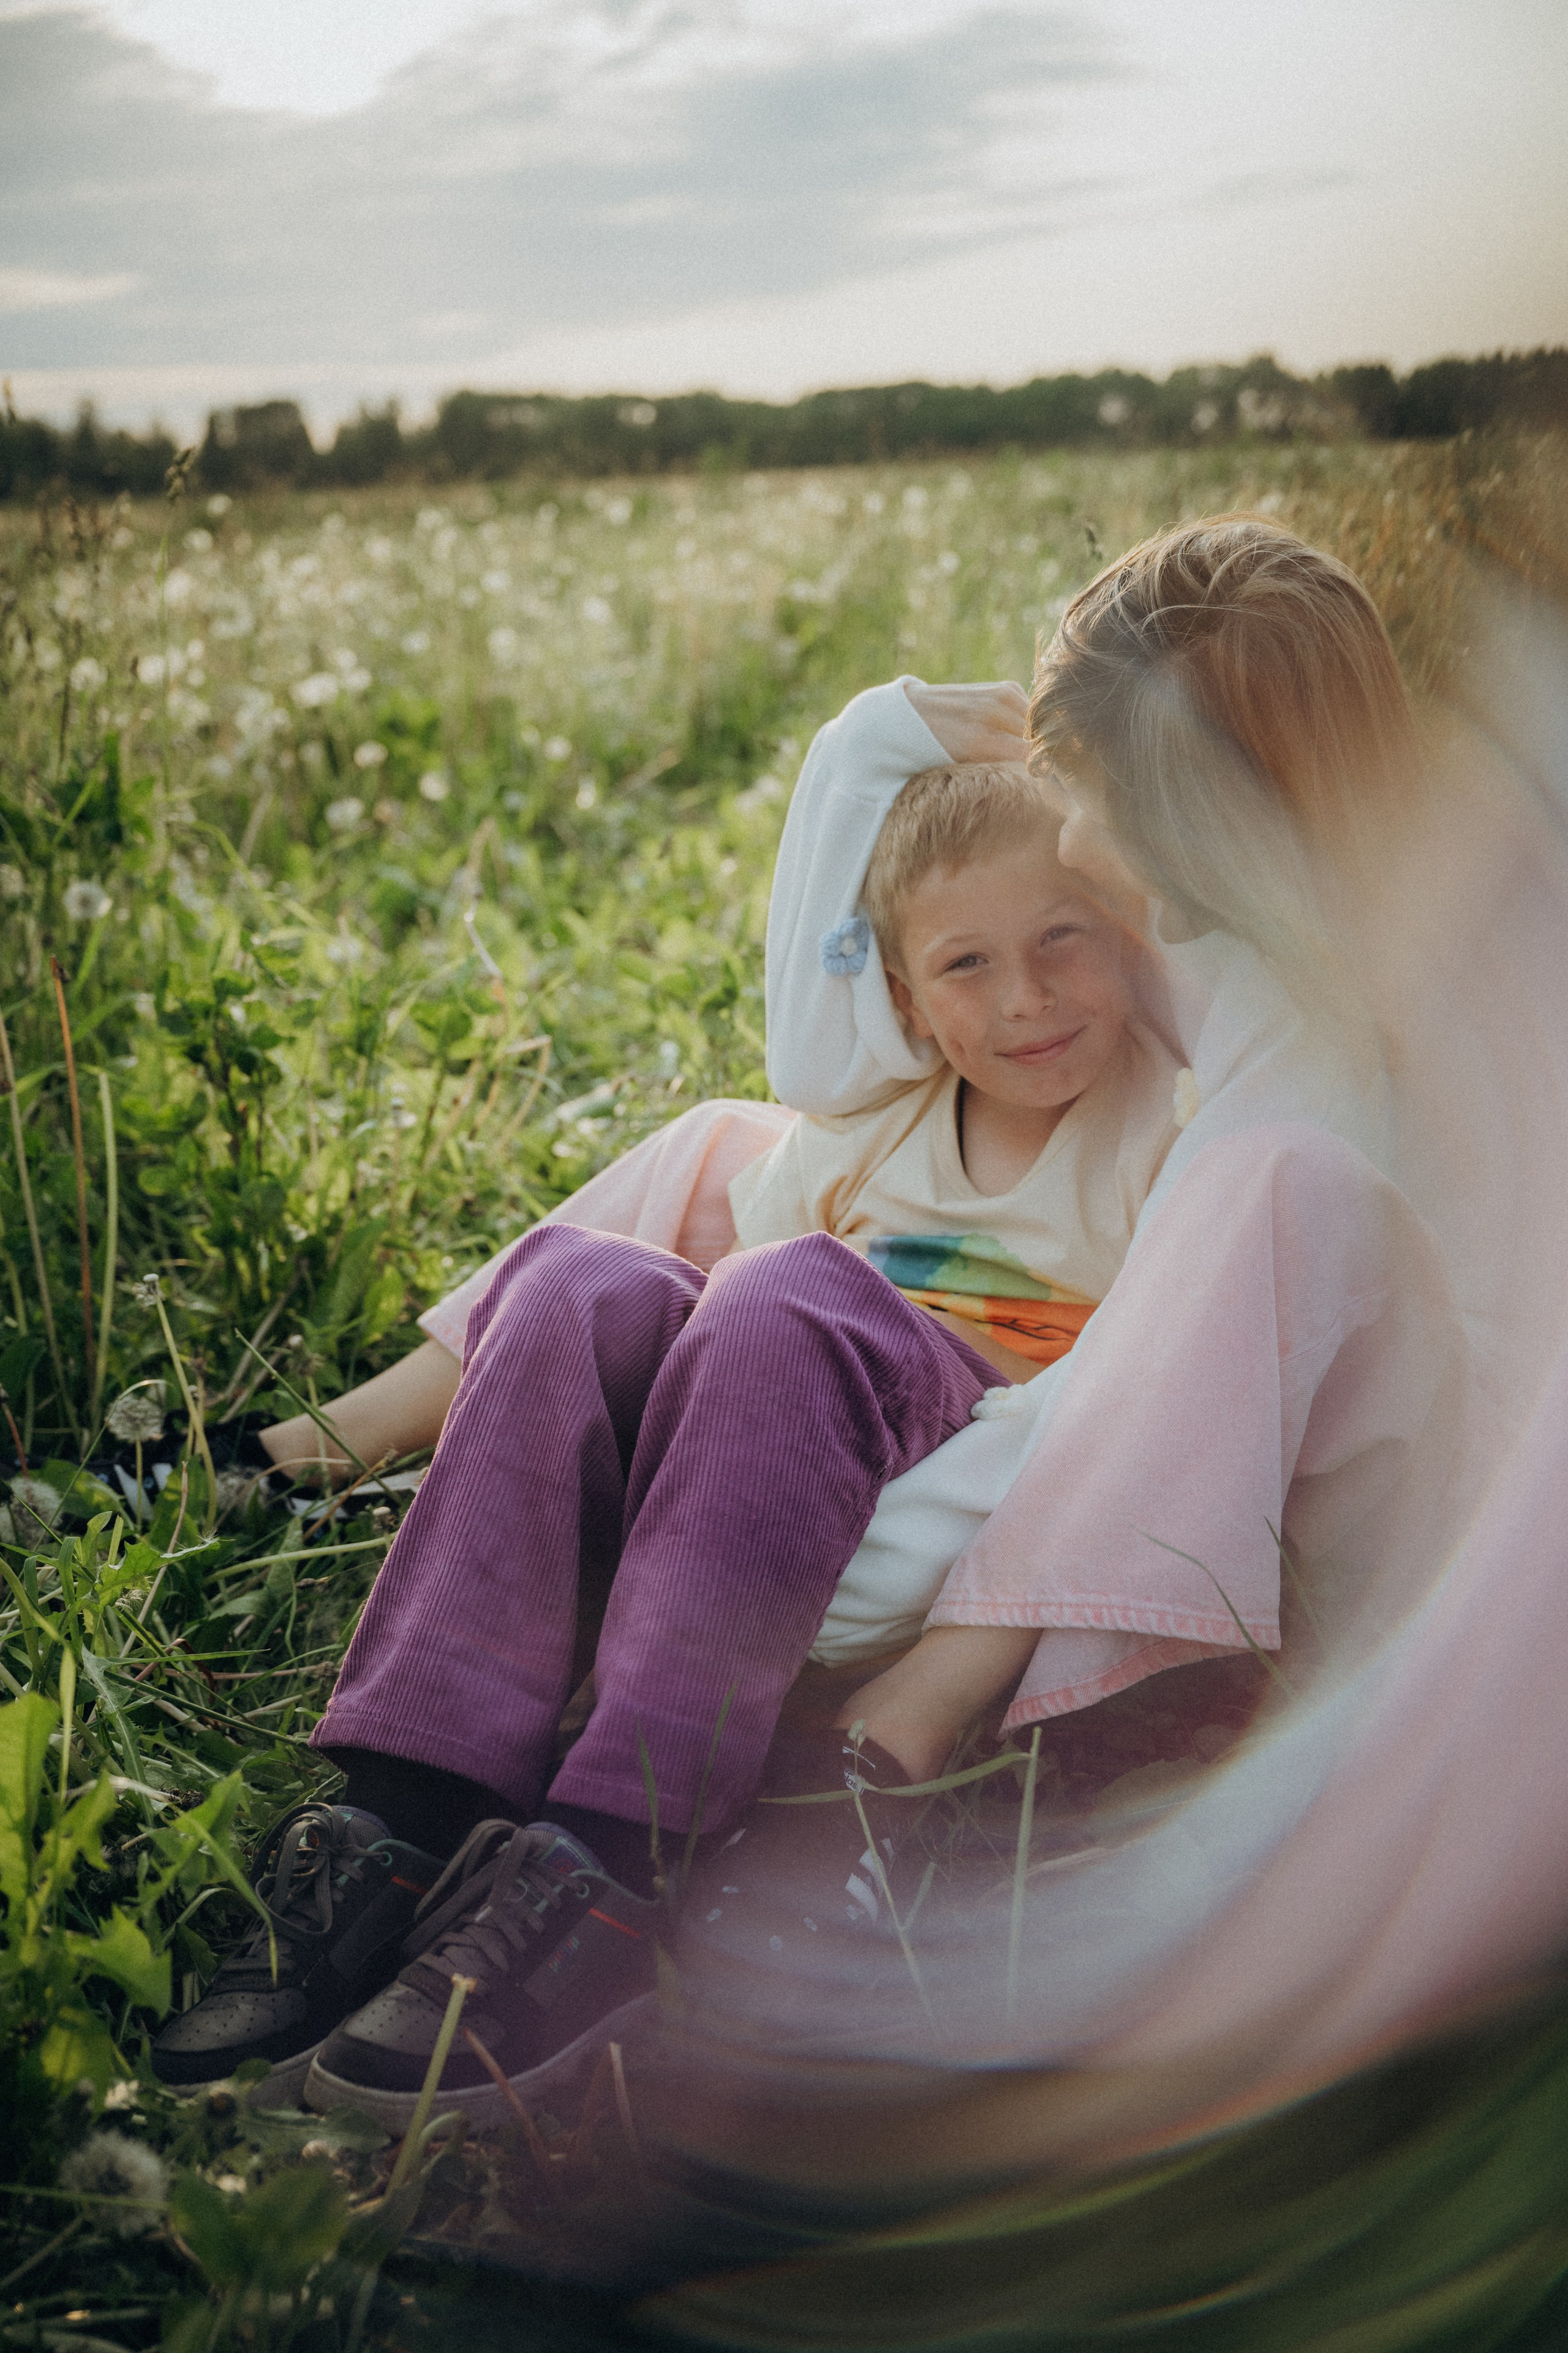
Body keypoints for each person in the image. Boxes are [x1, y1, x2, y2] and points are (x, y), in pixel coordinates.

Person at [150, 755, 1179, 2118]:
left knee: (788, 1284)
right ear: (908, 1007)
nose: (1026, 998)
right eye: (968, 964)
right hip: (774, 1423)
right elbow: (718, 1352)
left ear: (1130, 935)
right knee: (578, 1278)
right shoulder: (873, 1132)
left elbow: (1106, 1374)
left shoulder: (1162, 1124)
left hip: (939, 1435)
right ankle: (400, 1811)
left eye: (1064, 938)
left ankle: (609, 1865)